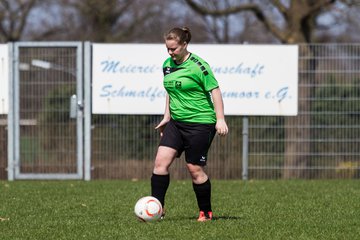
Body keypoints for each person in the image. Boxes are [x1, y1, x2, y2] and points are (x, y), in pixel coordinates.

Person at [151, 26, 229, 222]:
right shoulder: (167, 64)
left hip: (201, 123)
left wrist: (220, 119)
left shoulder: (199, 66)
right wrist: (166, 117)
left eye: (174, 49)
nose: (170, 53)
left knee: (194, 168)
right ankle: (156, 209)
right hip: (176, 123)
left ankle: (206, 212)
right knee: (160, 164)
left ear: (185, 45)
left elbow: (215, 91)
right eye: (167, 49)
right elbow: (171, 92)